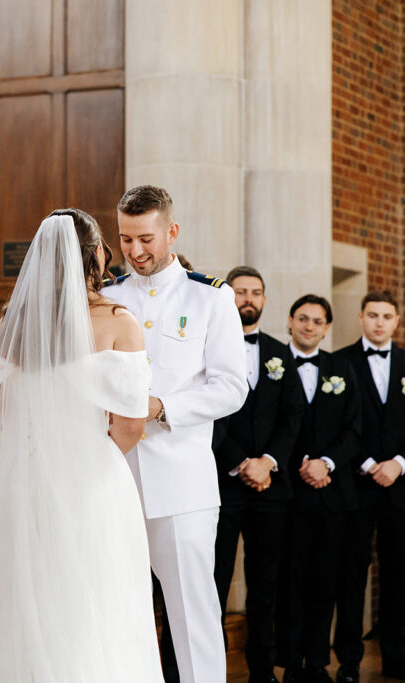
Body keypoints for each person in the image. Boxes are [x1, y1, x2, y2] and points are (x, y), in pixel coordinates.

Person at [0, 210, 163, 681]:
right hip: (89, 480)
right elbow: (131, 424)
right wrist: (85, 453)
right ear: (95, 255)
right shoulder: (118, 321)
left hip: (15, 479)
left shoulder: (10, 324)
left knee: (8, 599)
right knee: (90, 600)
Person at [103, 185, 248, 683]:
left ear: (172, 232)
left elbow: (232, 387)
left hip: (182, 484)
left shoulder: (210, 296)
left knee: (192, 611)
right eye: (126, 239)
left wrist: (163, 407)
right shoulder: (107, 296)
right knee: (118, 608)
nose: (135, 251)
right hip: (113, 478)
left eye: (146, 238)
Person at [332, 291, 405, 683]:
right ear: (361, 317)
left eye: (387, 316)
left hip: (400, 486)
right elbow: (335, 423)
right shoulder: (340, 362)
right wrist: (366, 463)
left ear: (397, 321)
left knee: (397, 574)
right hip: (355, 486)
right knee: (351, 574)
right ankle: (348, 661)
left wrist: (398, 463)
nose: (379, 322)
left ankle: (396, 658)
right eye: (373, 315)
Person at [212, 266, 305, 683]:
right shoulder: (210, 346)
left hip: (271, 487)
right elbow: (212, 414)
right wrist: (240, 463)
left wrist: (267, 461)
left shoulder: (279, 352)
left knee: (266, 583)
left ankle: (262, 670)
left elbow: (292, 415)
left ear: (264, 300)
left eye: (255, 292)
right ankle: (209, 669)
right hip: (222, 484)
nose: (248, 298)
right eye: (240, 291)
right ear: (226, 296)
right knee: (214, 580)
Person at [274, 294, 360, 683]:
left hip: (332, 493)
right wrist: (302, 464)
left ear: (327, 328)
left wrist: (326, 463)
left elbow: (354, 427)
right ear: (290, 321)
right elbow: (269, 423)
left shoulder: (341, 368)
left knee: (326, 580)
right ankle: (290, 662)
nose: (309, 326)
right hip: (288, 490)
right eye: (303, 318)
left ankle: (317, 662)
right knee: (290, 581)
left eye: (317, 321)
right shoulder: (274, 364)